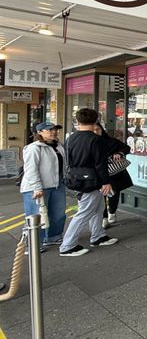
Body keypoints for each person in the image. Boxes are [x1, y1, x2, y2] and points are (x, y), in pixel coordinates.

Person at [59, 108, 118, 257]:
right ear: (96, 120)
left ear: (77, 121)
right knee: (84, 212)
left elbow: (68, 160)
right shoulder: (96, 139)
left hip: (77, 179)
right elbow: (100, 163)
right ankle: (67, 245)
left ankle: (98, 236)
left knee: (98, 208)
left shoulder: (70, 138)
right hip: (93, 181)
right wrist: (106, 182)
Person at [20, 122, 68, 252]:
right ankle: (33, 244)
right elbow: (31, 170)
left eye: (55, 129)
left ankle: (53, 236)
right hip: (37, 188)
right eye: (49, 130)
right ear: (39, 132)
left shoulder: (58, 146)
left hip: (57, 185)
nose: (53, 132)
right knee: (36, 216)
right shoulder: (34, 148)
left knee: (58, 213)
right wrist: (37, 187)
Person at [94, 122, 133, 228]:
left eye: (98, 129)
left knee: (114, 193)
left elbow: (126, 148)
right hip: (98, 174)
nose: (96, 132)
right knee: (101, 196)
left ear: (102, 130)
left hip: (114, 173)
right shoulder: (88, 143)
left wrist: (120, 153)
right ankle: (104, 218)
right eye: (93, 130)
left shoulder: (110, 141)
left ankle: (112, 212)